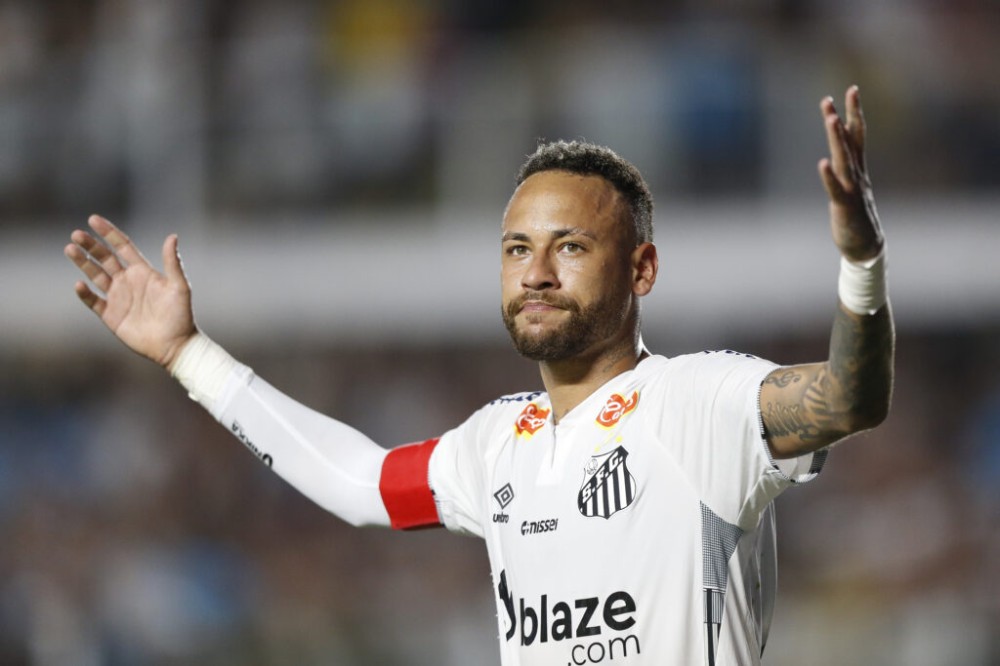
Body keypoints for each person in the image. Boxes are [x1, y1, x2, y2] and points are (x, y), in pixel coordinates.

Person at [64, 86, 894, 665]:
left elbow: (848, 399)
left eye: (570, 247)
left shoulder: (696, 403)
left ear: (641, 269)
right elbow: (360, 482)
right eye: (516, 250)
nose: (535, 273)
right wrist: (188, 356)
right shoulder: (498, 444)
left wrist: (860, 262)